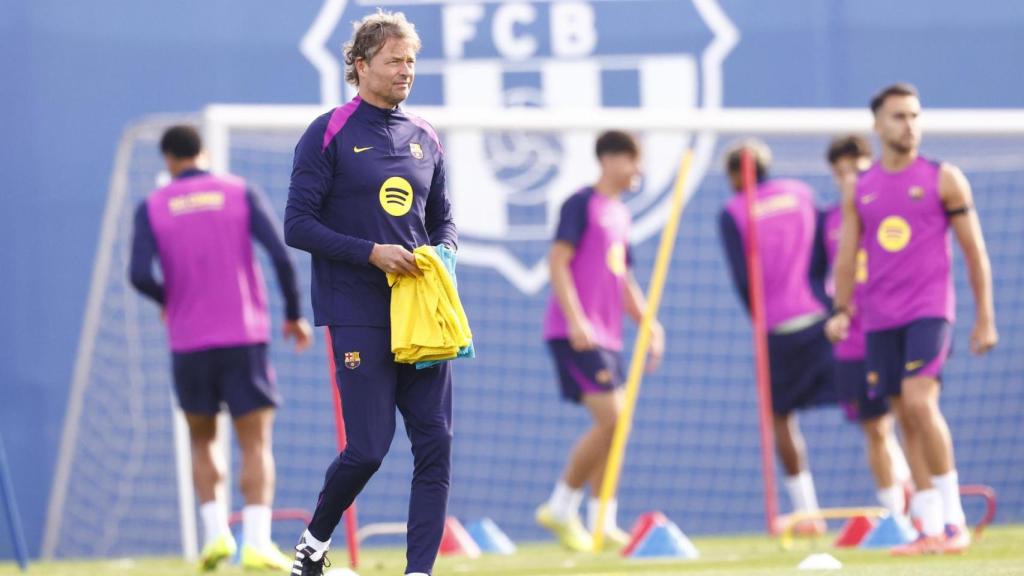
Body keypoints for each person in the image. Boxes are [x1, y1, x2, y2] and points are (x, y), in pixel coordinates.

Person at [283, 10, 457, 576]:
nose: (406, 70)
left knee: (435, 445)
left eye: (411, 60)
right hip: (357, 310)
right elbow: (297, 225)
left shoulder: (425, 136)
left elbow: (444, 221)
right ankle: (313, 543)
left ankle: (419, 571)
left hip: (421, 315)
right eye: (394, 60)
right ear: (360, 66)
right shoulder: (328, 131)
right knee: (369, 449)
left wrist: (444, 257)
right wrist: (370, 252)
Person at [129, 125, 312, 571]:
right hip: (243, 336)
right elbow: (281, 255)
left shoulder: (153, 206)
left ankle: (215, 537)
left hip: (189, 341)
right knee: (255, 440)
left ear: (169, 160)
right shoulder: (237, 191)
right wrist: (292, 313)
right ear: (204, 153)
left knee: (201, 437)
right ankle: (257, 542)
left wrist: (169, 300)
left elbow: (138, 273)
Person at [826, 83, 998, 555]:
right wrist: (842, 310)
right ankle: (928, 526)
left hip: (929, 310)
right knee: (902, 414)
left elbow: (974, 252)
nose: (910, 125)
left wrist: (984, 316)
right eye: (899, 117)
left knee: (921, 403)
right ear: (879, 125)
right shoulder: (860, 187)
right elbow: (846, 256)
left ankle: (954, 521)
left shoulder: (944, 178)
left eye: (915, 116)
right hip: (879, 318)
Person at [535, 131, 665, 551]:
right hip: (576, 332)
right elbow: (557, 261)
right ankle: (559, 506)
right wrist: (576, 320)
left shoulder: (620, 214)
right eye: (634, 160)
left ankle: (602, 521)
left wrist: (649, 322)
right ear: (610, 159)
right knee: (612, 418)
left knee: (617, 427)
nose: (639, 171)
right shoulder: (580, 204)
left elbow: (622, 276)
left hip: (608, 335)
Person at [718, 139, 836, 534]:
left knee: (780, 418)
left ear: (736, 174)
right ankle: (901, 502)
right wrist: (825, 298)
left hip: (776, 328)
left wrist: (761, 316)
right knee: (875, 409)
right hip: (823, 319)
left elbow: (742, 277)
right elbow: (827, 249)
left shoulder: (734, 211)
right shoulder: (801, 194)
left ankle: (808, 513)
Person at [822, 135, 913, 519]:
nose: (848, 178)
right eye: (840, 172)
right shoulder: (828, 221)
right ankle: (895, 512)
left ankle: (923, 501)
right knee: (875, 429)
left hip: (891, 330)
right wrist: (834, 312)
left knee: (911, 417)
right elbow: (816, 275)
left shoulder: (892, 208)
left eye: (855, 169)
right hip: (852, 344)